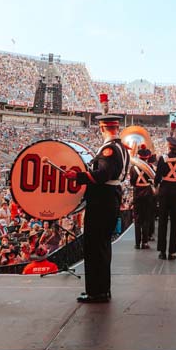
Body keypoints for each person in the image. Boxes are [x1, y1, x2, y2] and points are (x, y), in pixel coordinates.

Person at [65, 114, 129, 303]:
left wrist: (78, 177)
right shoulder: (122, 148)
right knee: (102, 246)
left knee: (94, 247)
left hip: (102, 200)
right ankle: (103, 289)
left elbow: (102, 174)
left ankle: (96, 291)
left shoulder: (109, 149)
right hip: (110, 198)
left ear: (102, 128)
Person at [130, 145, 156, 249]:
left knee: (137, 219)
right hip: (147, 193)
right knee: (146, 218)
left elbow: (132, 182)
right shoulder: (150, 168)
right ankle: (144, 242)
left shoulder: (133, 168)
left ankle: (137, 243)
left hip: (137, 193)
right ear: (147, 157)